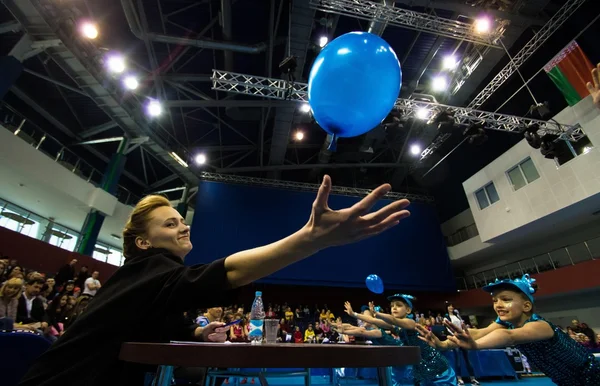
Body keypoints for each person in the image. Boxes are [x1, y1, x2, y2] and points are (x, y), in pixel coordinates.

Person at [20, 176, 410, 386]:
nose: (182, 224)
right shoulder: (146, 267)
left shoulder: (149, 280)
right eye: (169, 223)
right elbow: (230, 272)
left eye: (181, 218)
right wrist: (311, 239)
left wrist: (197, 332)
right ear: (142, 242)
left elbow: (153, 321)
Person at [417, 274, 600, 386]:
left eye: (505, 299)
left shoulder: (541, 326)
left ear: (526, 306)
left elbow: (509, 337)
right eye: (495, 301)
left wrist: (475, 345)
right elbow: (479, 333)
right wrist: (443, 343)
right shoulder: (504, 324)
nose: (498, 305)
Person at [345, 298, 456, 385]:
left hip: (434, 362)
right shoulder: (394, 325)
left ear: (408, 310)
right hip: (420, 364)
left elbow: (392, 319)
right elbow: (374, 320)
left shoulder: (411, 322)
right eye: (392, 306)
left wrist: (377, 313)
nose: (394, 308)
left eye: (398, 305)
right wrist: (354, 314)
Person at [444, 304, 479, 385]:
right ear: (447, 308)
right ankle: (459, 379)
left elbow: (462, 326)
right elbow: (448, 328)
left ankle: (473, 379)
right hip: (455, 339)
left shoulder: (457, 316)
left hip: (462, 339)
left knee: (468, 360)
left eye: (452, 306)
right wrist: (455, 335)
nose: (451, 307)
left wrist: (463, 333)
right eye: (449, 306)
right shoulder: (446, 317)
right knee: (458, 360)